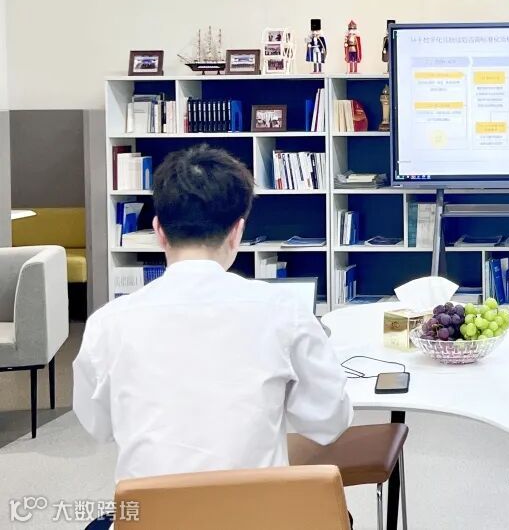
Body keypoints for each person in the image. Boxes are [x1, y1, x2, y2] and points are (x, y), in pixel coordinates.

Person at [74, 146, 352, 492]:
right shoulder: (283, 312)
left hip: (150, 515)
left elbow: (98, 425)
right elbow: (328, 420)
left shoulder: (108, 323)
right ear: (237, 231)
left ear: (159, 231)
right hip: (259, 512)